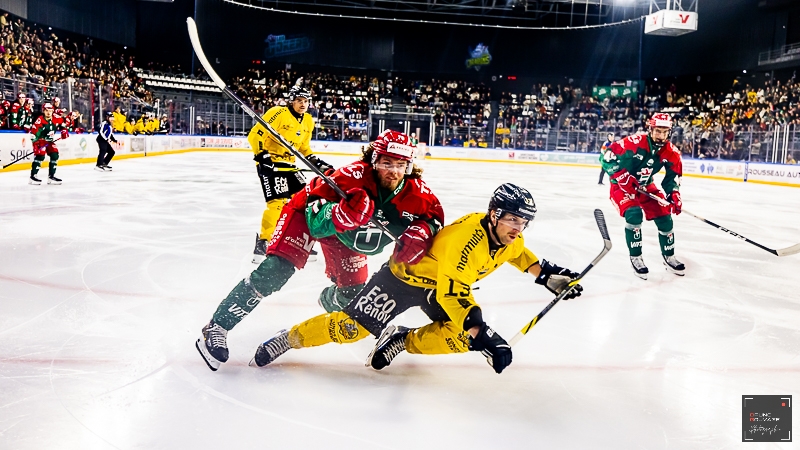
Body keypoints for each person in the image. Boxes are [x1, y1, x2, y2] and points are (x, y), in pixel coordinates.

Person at [250, 184, 583, 374]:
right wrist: (487, 336)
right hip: (402, 278)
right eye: (512, 219)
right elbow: (455, 297)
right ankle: (289, 338)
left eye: (523, 222)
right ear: (494, 214)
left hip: (438, 286)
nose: (517, 228)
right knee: (351, 329)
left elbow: (519, 254)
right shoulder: (464, 242)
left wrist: (547, 277)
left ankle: (400, 339)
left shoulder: (510, 237)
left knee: (461, 337)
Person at [196, 130, 445, 371]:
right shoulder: (351, 176)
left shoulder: (418, 195)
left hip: (346, 237)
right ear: (374, 159)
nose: (393, 171)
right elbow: (315, 219)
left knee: (353, 295)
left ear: (409, 167)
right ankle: (217, 327)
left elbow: (435, 219)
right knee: (275, 271)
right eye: (386, 162)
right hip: (304, 217)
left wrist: (423, 232)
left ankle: (329, 298)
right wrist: (338, 213)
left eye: (400, 165)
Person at [249, 79, 333, 264]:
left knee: (304, 202)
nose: (303, 104)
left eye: (306, 101)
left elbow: (304, 148)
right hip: (272, 164)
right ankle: (264, 241)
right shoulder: (278, 113)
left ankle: (298, 241)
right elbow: (256, 134)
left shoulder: (308, 121)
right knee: (277, 203)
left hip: (290, 165)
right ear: (292, 100)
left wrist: (317, 162)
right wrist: (262, 156)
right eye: (300, 100)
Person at [601, 112, 684, 279]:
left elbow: (672, 178)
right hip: (622, 187)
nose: (661, 136)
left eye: (665, 132)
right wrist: (622, 176)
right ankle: (636, 257)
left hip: (646, 186)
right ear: (650, 129)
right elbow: (606, 155)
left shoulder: (672, 153)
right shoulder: (635, 142)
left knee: (665, 216)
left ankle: (669, 256)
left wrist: (674, 194)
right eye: (658, 131)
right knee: (634, 214)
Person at [28, 103, 68, 185]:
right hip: (39, 140)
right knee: (40, 155)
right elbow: (33, 134)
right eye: (47, 111)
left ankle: (51, 176)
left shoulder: (56, 117)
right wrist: (36, 144)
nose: (49, 113)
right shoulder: (39, 120)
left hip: (49, 141)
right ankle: (33, 176)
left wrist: (64, 130)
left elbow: (63, 124)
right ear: (43, 111)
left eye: (50, 111)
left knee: (54, 155)